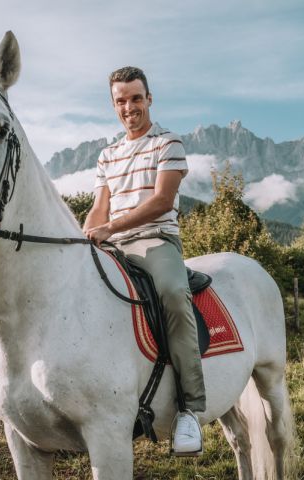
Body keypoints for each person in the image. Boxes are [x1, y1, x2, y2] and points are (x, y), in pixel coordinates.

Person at [83, 66, 205, 456]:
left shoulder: (168, 143)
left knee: (172, 294)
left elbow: (162, 201)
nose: (129, 107)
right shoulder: (107, 154)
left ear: (149, 98)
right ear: (113, 105)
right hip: (113, 244)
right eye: (121, 100)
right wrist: (83, 237)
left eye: (136, 98)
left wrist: (111, 228)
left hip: (155, 241)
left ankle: (190, 409)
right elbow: (99, 208)